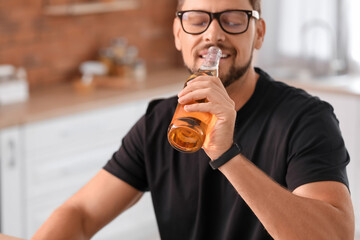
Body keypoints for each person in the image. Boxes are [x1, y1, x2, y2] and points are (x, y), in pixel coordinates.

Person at [32, 0, 355, 239]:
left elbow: (335, 236)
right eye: (197, 20)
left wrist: (227, 155)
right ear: (178, 35)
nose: (213, 34)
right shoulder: (158, 122)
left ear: (258, 33)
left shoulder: (307, 119)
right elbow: (82, 213)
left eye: (233, 19)